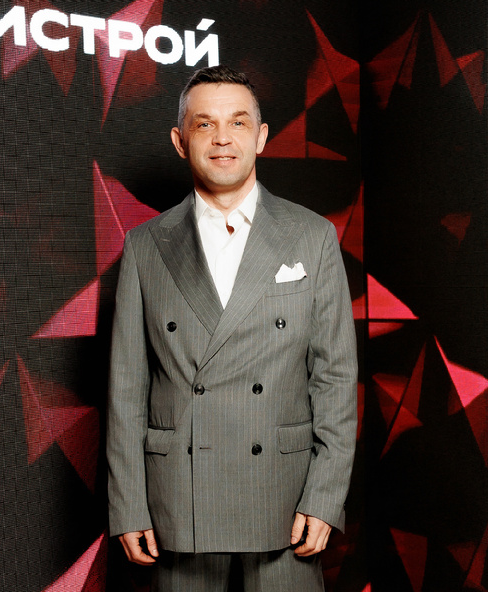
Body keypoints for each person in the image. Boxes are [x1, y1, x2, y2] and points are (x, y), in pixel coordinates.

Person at [106, 66, 357, 592]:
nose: (223, 138)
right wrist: (128, 504)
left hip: (284, 496)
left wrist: (325, 496)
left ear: (261, 137)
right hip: (181, 497)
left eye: (238, 122)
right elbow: (127, 388)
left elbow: (334, 378)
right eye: (205, 124)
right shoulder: (145, 245)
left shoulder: (312, 236)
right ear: (180, 141)